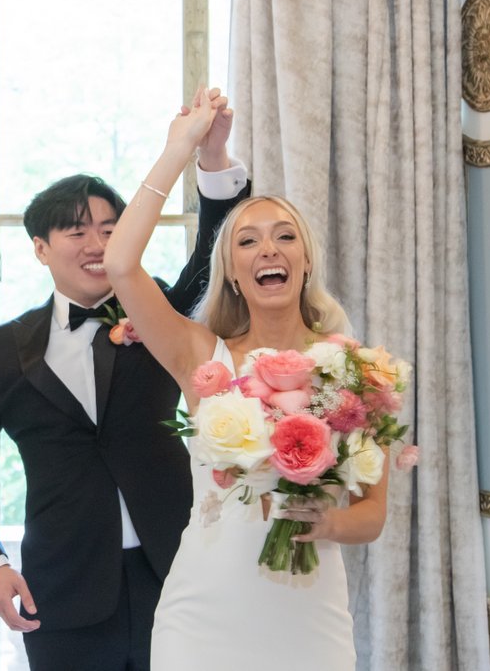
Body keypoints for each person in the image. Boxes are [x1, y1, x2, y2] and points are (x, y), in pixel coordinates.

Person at [0, 93, 250, 671]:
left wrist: (214, 156)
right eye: (77, 231)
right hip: (62, 595)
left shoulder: (156, 315)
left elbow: (212, 254)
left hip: (178, 577)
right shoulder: (6, 348)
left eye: (110, 227)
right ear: (39, 248)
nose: (98, 244)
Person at [103, 88, 389, 671]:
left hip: (308, 619)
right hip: (202, 615)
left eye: (284, 236)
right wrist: (179, 148)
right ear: (232, 271)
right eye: (248, 241)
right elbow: (120, 265)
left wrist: (326, 519)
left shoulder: (353, 369)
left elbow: (372, 515)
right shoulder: (201, 357)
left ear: (305, 260)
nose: (268, 250)